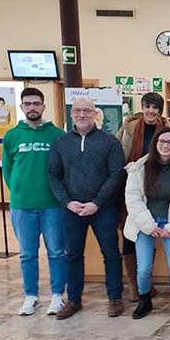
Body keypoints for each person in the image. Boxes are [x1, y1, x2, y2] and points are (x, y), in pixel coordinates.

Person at [48, 97, 125, 319]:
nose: (82, 115)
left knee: (111, 254)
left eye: (87, 111)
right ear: (71, 114)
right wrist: (67, 202)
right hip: (71, 209)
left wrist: (97, 203)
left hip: (103, 208)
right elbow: (53, 175)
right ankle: (73, 300)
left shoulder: (109, 142)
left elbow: (116, 175)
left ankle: (115, 297)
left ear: (95, 115)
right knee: (72, 255)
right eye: (78, 111)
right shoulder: (61, 143)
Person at [2, 87, 67, 316]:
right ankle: (31, 296)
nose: (32, 107)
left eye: (36, 103)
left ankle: (58, 295)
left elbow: (63, 169)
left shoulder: (57, 135)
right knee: (28, 254)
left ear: (43, 106)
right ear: (21, 107)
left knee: (56, 252)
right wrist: (20, 191)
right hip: (22, 206)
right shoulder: (12, 136)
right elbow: (8, 170)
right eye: (28, 103)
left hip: (52, 205)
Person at [123, 127, 170, 322]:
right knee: (144, 268)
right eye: (161, 141)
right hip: (145, 223)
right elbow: (133, 199)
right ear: (155, 143)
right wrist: (149, 226)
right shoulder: (139, 168)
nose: (165, 145)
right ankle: (144, 301)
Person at [115, 92, 168, 302]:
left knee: (150, 231)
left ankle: (146, 280)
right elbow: (117, 154)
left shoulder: (165, 130)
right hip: (130, 188)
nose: (151, 111)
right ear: (143, 107)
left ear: (160, 111)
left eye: (155, 108)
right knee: (131, 234)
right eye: (148, 107)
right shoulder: (128, 129)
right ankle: (133, 284)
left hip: (155, 190)